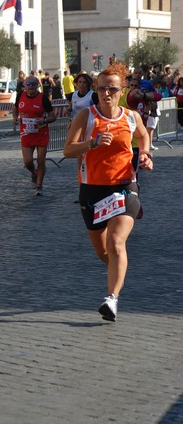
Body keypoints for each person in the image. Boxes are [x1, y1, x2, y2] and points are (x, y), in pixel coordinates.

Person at [64, 62, 153, 322]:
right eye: (101, 88)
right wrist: (91, 143)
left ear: (122, 90)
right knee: (104, 252)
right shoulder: (87, 116)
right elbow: (68, 150)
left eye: (112, 89)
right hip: (92, 190)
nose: (106, 94)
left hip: (124, 187)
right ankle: (119, 268)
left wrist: (145, 154)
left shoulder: (130, 116)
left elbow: (144, 135)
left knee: (116, 242)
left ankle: (111, 299)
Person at [13, 75, 56, 196]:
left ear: (38, 85)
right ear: (25, 85)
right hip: (26, 133)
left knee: (41, 160)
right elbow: (15, 108)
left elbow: (53, 116)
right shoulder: (20, 96)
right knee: (27, 162)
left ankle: (39, 186)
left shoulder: (43, 98)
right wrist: (14, 117)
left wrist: (45, 120)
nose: (31, 87)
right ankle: (34, 172)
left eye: (33, 84)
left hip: (41, 133)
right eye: (28, 84)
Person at [126, 78, 162, 151]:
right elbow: (130, 101)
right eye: (131, 85)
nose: (133, 87)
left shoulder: (142, 96)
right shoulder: (127, 95)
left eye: (136, 86)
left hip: (140, 137)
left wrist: (144, 96)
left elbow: (158, 96)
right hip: (129, 137)